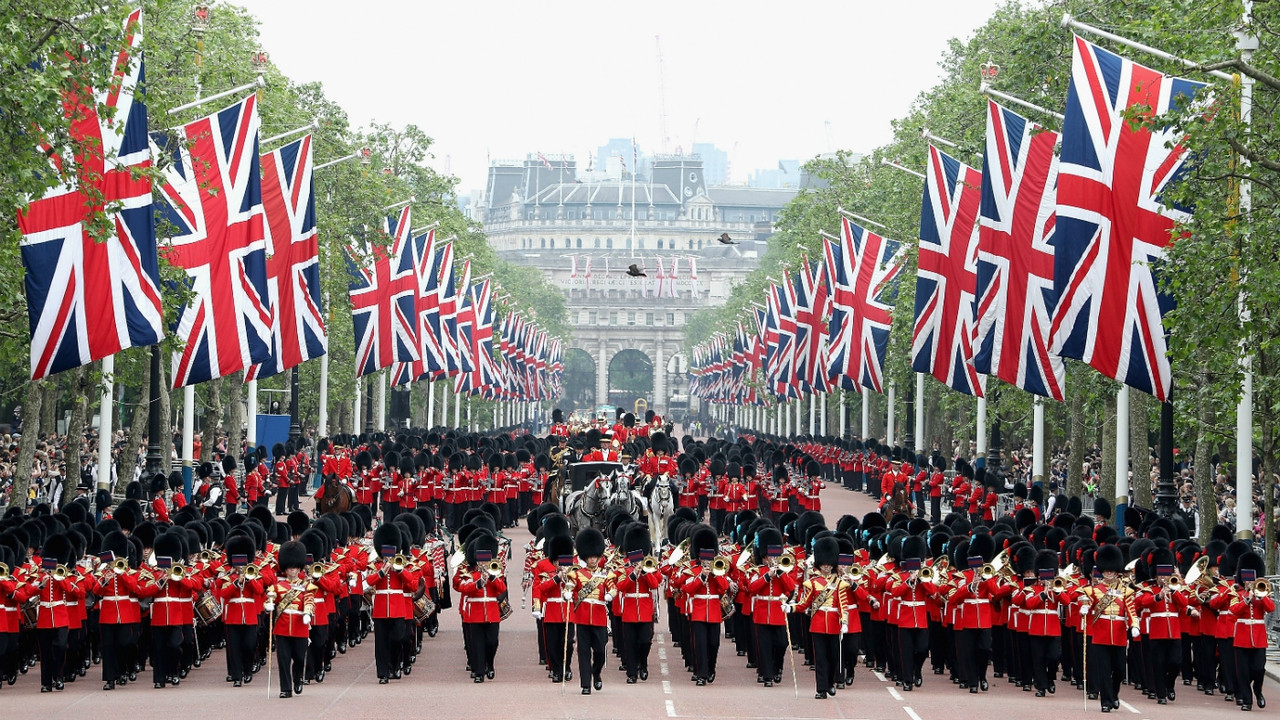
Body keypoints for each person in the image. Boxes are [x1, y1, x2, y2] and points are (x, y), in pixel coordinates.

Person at [454, 530, 505, 683]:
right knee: (476, 643)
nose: (483, 562)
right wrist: (478, 583)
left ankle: (489, 664)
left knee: (492, 642)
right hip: (474, 612)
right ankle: (479, 672)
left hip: (491, 611)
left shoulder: (495, 571)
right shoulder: (470, 574)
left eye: (485, 558)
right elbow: (462, 587)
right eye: (481, 558)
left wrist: (490, 576)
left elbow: (502, 588)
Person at [264, 541, 314, 699]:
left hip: (300, 626)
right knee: (283, 659)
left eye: (294, 567)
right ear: (285, 568)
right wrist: (269, 605)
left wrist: (307, 613)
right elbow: (269, 599)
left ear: (299, 568)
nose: (292, 569)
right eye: (289, 567)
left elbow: (309, 600)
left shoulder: (306, 585)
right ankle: (285, 688)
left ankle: (298, 678)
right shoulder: (277, 587)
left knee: (299, 657)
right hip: (283, 627)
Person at [564, 528, 609, 694]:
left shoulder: (604, 575)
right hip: (582, 618)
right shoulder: (576, 575)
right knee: (583, 652)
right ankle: (585, 685)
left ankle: (596, 673)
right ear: (585, 556)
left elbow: (612, 588)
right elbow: (570, 586)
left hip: (599, 618)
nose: (592, 559)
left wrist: (611, 593)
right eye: (590, 556)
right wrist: (567, 593)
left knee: (599, 651)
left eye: (595, 556)